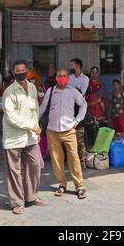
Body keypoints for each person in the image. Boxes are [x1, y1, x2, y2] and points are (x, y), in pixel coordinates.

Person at [2, 59, 47, 215]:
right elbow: (11, 117)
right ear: (13, 73)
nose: (20, 72)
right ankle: (16, 202)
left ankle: (31, 196)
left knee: (34, 166)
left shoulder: (33, 87)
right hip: (13, 138)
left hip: (30, 136)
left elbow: (34, 111)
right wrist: (31, 126)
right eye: (17, 70)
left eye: (23, 70)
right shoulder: (9, 91)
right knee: (14, 171)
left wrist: (36, 130)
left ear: (27, 71)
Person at [39, 69, 87, 199]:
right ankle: (61, 184)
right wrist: (34, 121)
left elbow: (83, 105)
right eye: (60, 76)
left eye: (65, 76)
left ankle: (79, 186)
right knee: (56, 159)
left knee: (73, 158)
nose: (62, 78)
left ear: (68, 78)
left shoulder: (73, 91)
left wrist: (77, 120)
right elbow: (42, 108)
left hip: (69, 130)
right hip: (52, 131)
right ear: (56, 78)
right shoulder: (50, 91)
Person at [69, 59, 89, 168]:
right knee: (69, 135)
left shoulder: (85, 79)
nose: (71, 66)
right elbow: (68, 90)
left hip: (79, 109)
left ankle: (83, 160)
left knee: (80, 135)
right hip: (69, 110)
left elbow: (82, 92)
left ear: (78, 65)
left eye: (72, 64)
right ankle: (71, 159)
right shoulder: (70, 77)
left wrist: (74, 92)